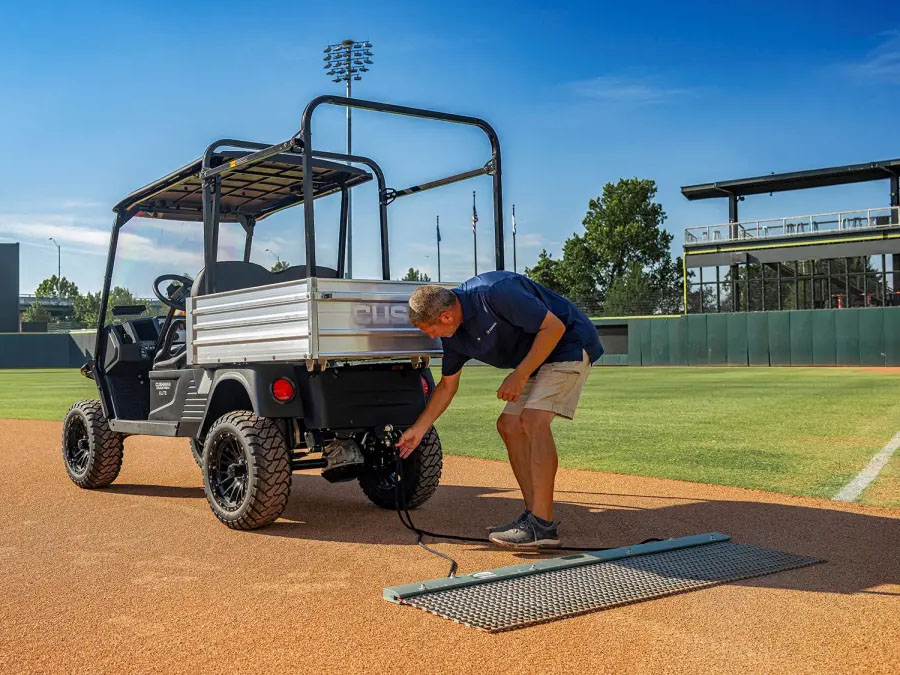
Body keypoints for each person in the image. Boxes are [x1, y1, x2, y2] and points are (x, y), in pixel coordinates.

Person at [396, 271, 603, 549]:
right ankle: (534, 518)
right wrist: (418, 430)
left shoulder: (495, 293)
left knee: (532, 420)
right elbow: (447, 386)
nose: (431, 336)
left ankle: (541, 525)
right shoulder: (454, 337)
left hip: (568, 344)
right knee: (508, 424)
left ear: (445, 316)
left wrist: (519, 375)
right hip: (537, 357)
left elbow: (554, 328)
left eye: (429, 330)